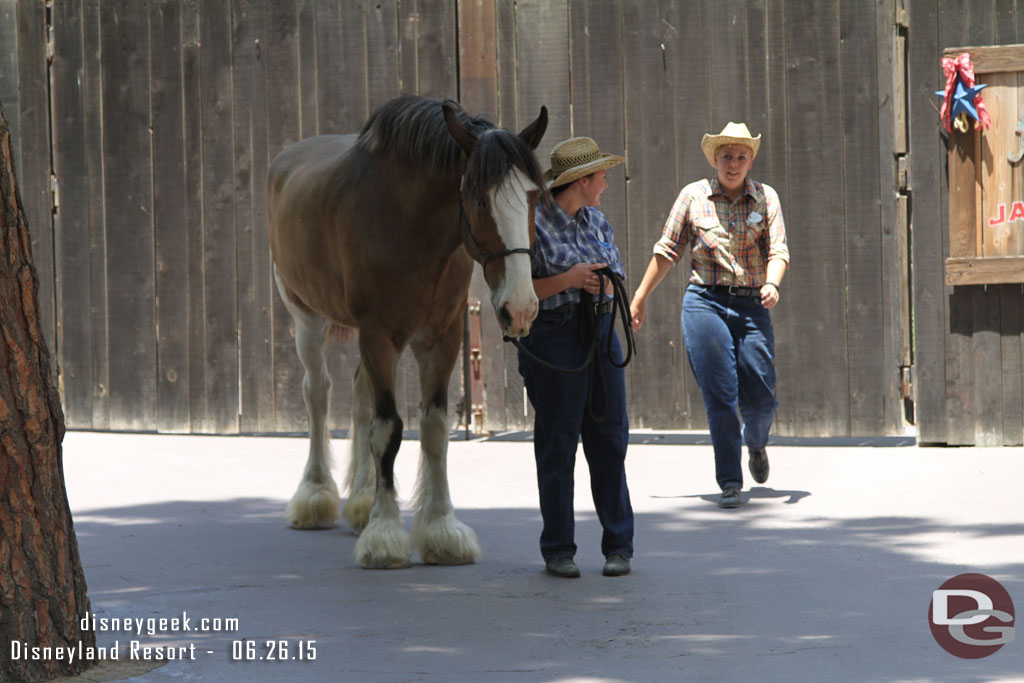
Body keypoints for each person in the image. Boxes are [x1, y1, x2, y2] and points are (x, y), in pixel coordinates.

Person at [629, 122, 790, 509]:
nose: (732, 164)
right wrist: (639, 296)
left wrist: (773, 284)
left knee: (761, 395)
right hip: (705, 301)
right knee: (721, 394)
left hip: (753, 303)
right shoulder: (693, 197)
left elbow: (779, 250)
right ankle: (730, 482)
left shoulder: (766, 198)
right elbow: (667, 251)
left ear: (750, 161)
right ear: (714, 160)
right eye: (725, 157)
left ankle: (757, 442)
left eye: (740, 157)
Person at [517, 137, 634, 578]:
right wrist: (569, 279)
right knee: (558, 442)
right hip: (553, 336)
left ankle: (619, 545)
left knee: (609, 439)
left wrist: (603, 285)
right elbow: (519, 290)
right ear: (582, 181)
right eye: (600, 176)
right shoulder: (532, 225)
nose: (605, 182)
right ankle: (558, 549)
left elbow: (616, 273)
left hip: (600, 330)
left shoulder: (597, 221)